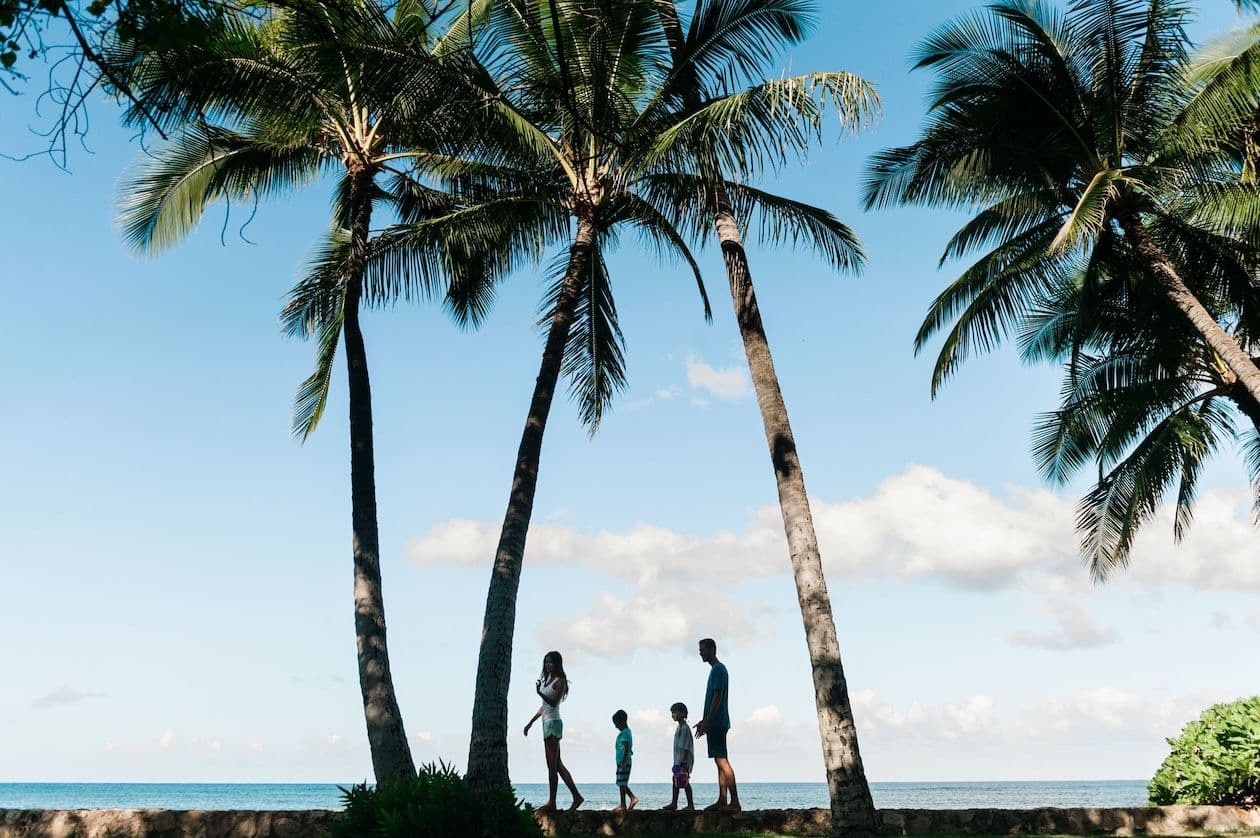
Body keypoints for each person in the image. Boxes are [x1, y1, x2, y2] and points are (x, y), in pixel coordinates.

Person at [523, 651, 583, 813]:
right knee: (557, 764)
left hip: (553, 724)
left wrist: (539, 692)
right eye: (546, 662)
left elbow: (554, 703)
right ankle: (576, 797)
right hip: (546, 723)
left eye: (550, 662)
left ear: (557, 664)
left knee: (552, 765)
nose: (548, 665)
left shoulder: (560, 681)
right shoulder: (547, 680)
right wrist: (530, 723)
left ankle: (552, 802)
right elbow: (544, 707)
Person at [694, 637, 740, 811]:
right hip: (715, 722)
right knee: (719, 761)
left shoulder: (718, 669)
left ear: (712, 649)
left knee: (722, 760)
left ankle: (734, 801)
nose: (700, 653)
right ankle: (722, 799)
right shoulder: (716, 670)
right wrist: (704, 720)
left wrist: (708, 720)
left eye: (702, 650)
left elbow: (718, 696)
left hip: (717, 722)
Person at [663, 701, 695, 811]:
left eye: (674, 712)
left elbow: (685, 747)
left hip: (683, 760)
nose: (673, 715)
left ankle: (689, 805)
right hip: (678, 759)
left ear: (682, 713)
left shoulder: (685, 728)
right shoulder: (679, 728)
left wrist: (683, 761)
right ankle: (674, 803)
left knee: (684, 781)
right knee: (676, 779)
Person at [611, 709, 638, 811]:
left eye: (616, 724)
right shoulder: (625, 732)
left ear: (622, 722)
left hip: (624, 762)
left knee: (622, 783)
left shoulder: (625, 733)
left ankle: (623, 804)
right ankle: (632, 798)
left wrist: (623, 761)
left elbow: (626, 748)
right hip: (621, 762)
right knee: (621, 782)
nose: (616, 726)